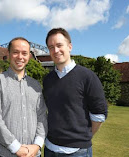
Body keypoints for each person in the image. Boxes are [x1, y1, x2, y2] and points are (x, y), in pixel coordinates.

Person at [43, 28, 108, 157]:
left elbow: (99, 114)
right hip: (49, 148)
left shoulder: (87, 76)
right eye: (51, 47)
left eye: (59, 45)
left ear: (70, 46)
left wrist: (82, 138)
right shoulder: (48, 79)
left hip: (77, 152)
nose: (55, 50)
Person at [0, 37, 47, 157]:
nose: (20, 57)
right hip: (4, 154)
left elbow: (42, 117)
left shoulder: (35, 85)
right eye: (15, 52)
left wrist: (37, 145)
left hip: (33, 153)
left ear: (29, 56)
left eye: (24, 53)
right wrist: (16, 147)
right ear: (8, 54)